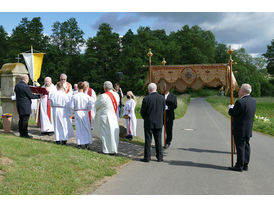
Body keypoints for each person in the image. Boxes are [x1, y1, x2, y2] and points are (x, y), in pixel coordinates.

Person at [228, 83, 256, 172]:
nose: (239, 91)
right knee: (246, 146)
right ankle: (245, 165)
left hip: (240, 128)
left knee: (240, 147)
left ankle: (239, 165)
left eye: (240, 90)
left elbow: (233, 113)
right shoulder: (253, 100)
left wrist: (230, 108)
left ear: (243, 91)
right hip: (248, 128)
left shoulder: (240, 102)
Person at [141, 83, 165, 162]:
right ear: (156, 89)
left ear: (149, 90)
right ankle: (160, 157)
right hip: (158, 122)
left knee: (148, 140)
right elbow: (163, 109)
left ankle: (147, 157)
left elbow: (142, 112)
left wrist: (145, 118)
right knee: (158, 140)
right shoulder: (162, 98)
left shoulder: (146, 99)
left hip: (149, 122)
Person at [94, 81, 120, 154]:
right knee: (113, 135)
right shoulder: (116, 95)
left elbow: (96, 106)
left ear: (105, 88)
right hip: (113, 116)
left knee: (105, 134)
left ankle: (106, 150)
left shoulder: (103, 96)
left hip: (105, 117)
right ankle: (114, 149)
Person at [70, 82, 94, 149]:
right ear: (83, 88)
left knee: (79, 128)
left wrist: (73, 112)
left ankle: (79, 143)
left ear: (77, 87)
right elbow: (90, 105)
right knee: (86, 127)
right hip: (85, 112)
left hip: (78, 112)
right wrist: (87, 110)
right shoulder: (87, 97)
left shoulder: (74, 96)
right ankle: (86, 143)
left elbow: (71, 106)